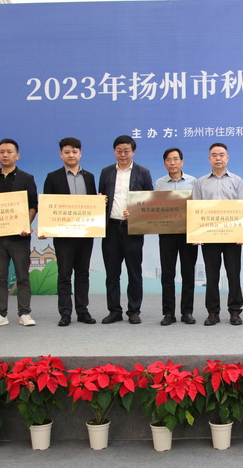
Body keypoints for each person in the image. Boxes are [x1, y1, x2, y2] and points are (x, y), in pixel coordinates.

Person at [0, 138, 38, 328]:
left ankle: (25, 313)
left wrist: (26, 224)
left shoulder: (27, 178)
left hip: (19, 237)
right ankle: (0, 314)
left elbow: (33, 205)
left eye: (9, 152)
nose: (5, 155)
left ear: (17, 155)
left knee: (22, 276)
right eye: (2, 152)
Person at [42, 137, 98, 327]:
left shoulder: (89, 177)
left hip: (85, 234)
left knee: (83, 274)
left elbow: (93, 204)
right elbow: (47, 206)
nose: (71, 155)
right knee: (64, 274)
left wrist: (100, 202)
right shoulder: (52, 177)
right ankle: (65, 313)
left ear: (80, 153)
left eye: (74, 152)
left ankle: (83, 311)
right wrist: (45, 227)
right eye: (67, 152)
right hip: (63, 235)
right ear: (61, 154)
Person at [98, 135, 153, 325]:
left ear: (133, 151)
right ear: (114, 151)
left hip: (133, 230)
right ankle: (114, 311)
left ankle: (134, 311)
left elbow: (149, 201)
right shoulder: (106, 172)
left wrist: (136, 212)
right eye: (119, 151)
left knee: (134, 272)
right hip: (111, 229)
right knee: (112, 274)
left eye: (126, 151)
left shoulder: (143, 172)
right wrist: (100, 200)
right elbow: (102, 198)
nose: (123, 154)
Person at [192, 143, 243, 326]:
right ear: (209, 158)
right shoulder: (200, 183)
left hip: (233, 237)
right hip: (210, 237)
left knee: (234, 275)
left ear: (227, 158)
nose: (218, 158)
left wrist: (242, 234)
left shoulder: (238, 181)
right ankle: (213, 312)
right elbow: (196, 210)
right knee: (212, 276)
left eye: (221, 155)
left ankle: (235, 311)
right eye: (214, 155)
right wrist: (197, 235)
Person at [154, 147, 198, 326]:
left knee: (188, 273)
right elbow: (155, 208)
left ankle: (187, 312)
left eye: (176, 159)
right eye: (169, 160)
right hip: (167, 233)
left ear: (182, 162)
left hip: (188, 233)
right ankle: (168, 313)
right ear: (165, 163)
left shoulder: (193, 182)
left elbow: (198, 207)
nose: (172, 163)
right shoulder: (159, 184)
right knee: (167, 274)